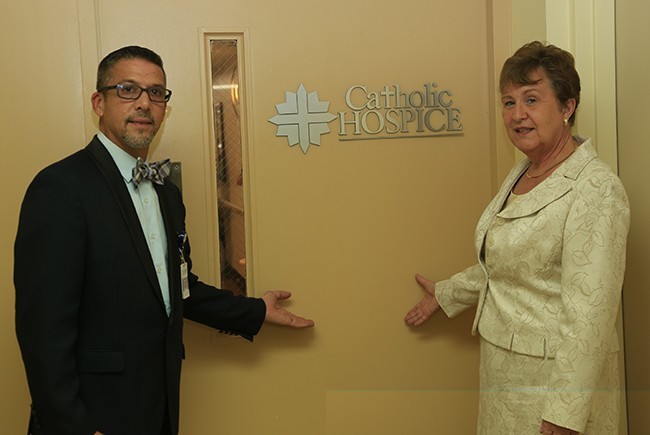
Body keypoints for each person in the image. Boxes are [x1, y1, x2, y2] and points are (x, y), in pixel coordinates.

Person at [14, 45, 314, 435]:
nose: (144, 103)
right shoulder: (59, 187)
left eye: (156, 93)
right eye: (127, 89)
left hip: (157, 409)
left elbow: (177, 289)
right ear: (98, 102)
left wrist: (255, 311)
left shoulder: (166, 194)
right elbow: (42, 331)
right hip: (91, 418)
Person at [404, 41, 629, 435]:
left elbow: (591, 319)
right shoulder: (525, 170)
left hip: (552, 397)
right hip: (505, 382)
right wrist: (447, 293)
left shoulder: (595, 189)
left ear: (566, 107)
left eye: (531, 99)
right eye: (508, 102)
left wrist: (564, 417)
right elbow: (507, 261)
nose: (517, 115)